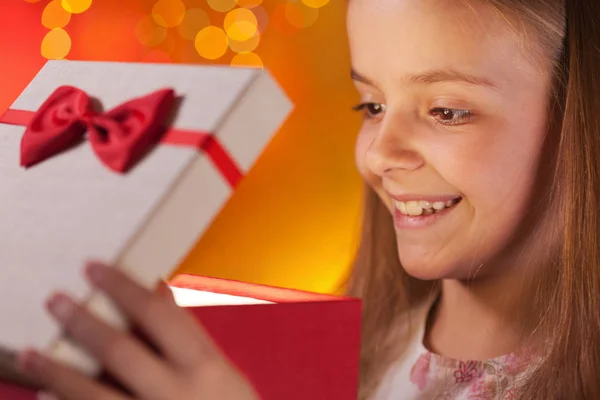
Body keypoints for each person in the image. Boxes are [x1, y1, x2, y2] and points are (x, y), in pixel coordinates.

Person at [16, 0, 600, 399]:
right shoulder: (341, 352)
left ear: (580, 122)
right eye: (370, 106)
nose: (377, 153)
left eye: (446, 111)